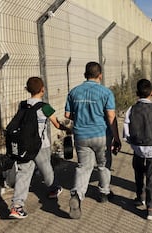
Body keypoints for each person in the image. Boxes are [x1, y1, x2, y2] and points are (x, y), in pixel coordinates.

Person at [65, 61, 121, 219]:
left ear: (85, 75)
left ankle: (77, 195)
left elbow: (68, 115)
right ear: (100, 76)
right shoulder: (106, 92)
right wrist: (116, 138)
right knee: (103, 165)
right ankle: (104, 193)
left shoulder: (74, 92)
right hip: (101, 135)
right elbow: (111, 116)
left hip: (81, 135)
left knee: (83, 167)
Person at [9, 76, 70, 219]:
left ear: (28, 90)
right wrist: (67, 129)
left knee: (24, 174)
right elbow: (56, 124)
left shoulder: (22, 104)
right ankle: (54, 189)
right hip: (41, 145)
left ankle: (16, 207)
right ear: (43, 90)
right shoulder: (45, 107)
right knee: (46, 170)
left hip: (25, 145)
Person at [123, 79, 152, 220]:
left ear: (137, 93)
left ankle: (140, 196)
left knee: (138, 173)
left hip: (137, 148)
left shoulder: (131, 109)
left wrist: (132, 143)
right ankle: (151, 208)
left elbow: (126, 132)